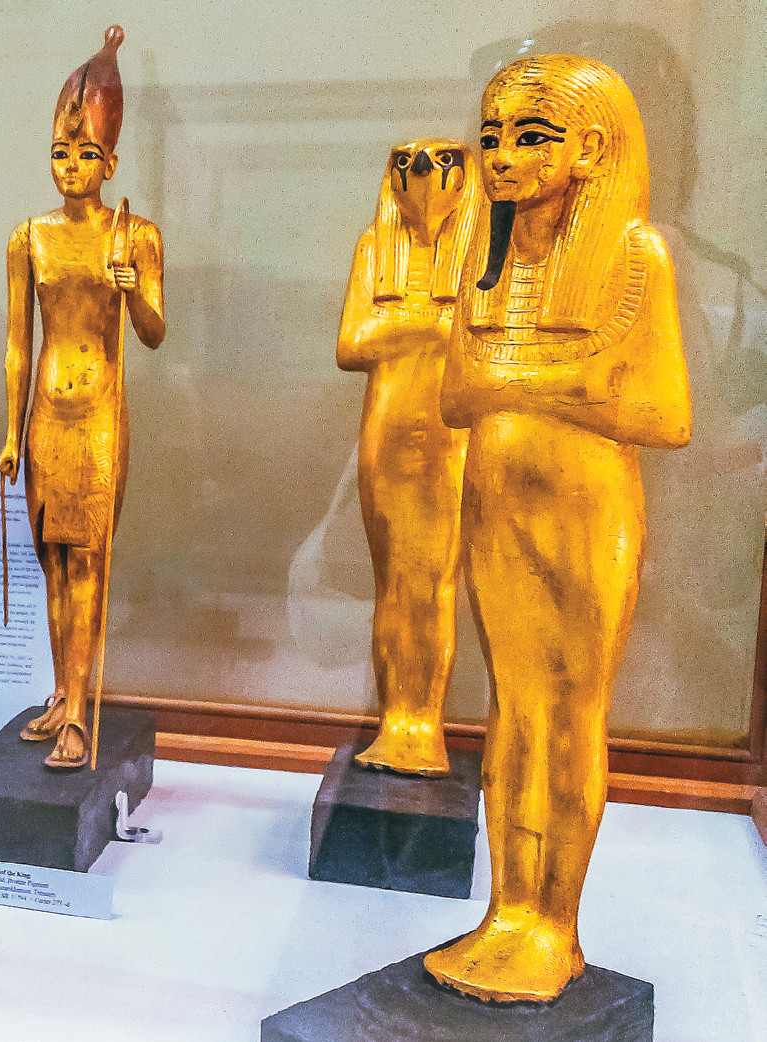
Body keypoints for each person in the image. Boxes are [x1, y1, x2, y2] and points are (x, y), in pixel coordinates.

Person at [424, 55, 691, 1002]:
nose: (499, 156)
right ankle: (505, 913)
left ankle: (555, 924)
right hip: (494, 497)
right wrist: (570, 381)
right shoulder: (482, 259)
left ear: (590, 149)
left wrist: (522, 382)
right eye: (490, 135)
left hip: (586, 507)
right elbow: (456, 397)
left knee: (573, 714)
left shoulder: (634, 256)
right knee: (510, 712)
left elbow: (662, 414)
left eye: (529, 136)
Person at [0, 26, 165, 769]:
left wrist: (134, 293)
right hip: (45, 417)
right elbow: (17, 345)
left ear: (110, 163)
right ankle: (64, 693)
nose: (71, 167)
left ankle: (79, 707)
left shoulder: (135, 235)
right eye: (61, 153)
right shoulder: (28, 238)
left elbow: (153, 333)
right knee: (53, 562)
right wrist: (10, 431)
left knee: (88, 561)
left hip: (98, 414)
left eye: (86, 154)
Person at [336, 140, 480, 776]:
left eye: (443, 162)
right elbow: (351, 343)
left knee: (436, 583)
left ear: (466, 178)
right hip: (387, 429)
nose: (422, 173)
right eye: (407, 162)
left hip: (449, 435)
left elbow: (478, 342)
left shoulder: (480, 252)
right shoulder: (375, 247)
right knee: (392, 584)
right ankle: (394, 720)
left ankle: (425, 724)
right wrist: (430, 324)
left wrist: (403, 324)